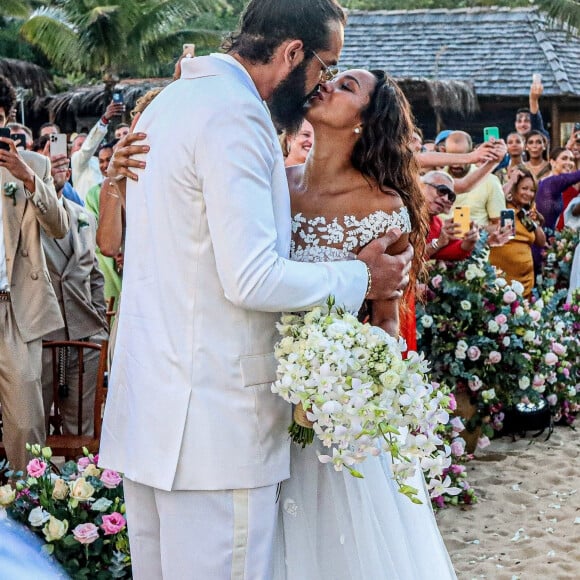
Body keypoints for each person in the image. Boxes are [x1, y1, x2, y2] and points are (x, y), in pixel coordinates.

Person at [98, 2, 414, 579]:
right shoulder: (236, 117)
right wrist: (359, 277)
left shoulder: (168, 106)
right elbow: (251, 277)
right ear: (294, 53)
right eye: (327, 66)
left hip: (152, 416)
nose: (320, 83)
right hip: (217, 429)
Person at [274, 69, 455, 579]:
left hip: (333, 404)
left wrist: (348, 390)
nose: (327, 85)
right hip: (257, 388)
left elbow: (385, 323)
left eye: (347, 87)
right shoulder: (274, 186)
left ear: (363, 122)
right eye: (333, 78)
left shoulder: (383, 207)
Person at [0, 75, 69, 471]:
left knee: (26, 423)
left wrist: (26, 178)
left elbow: (58, 227)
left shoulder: (34, 165)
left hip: (15, 310)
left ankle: (28, 510)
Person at [40, 154, 108, 436]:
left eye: (62, 164)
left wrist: (99, 323)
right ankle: (36, 479)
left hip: (84, 335)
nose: (58, 168)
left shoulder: (85, 218)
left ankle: (81, 479)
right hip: (42, 335)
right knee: (35, 424)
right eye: (49, 163)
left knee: (80, 427)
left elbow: (95, 275)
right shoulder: (26, 220)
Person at [489, 166, 546, 298]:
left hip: (525, 280)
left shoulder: (528, 211)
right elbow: (497, 197)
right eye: (524, 188)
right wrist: (512, 181)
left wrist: (535, 222)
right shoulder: (503, 206)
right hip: (501, 276)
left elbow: (541, 241)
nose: (529, 193)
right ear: (515, 188)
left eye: (532, 190)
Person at [445, 131, 506, 227]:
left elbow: (500, 224)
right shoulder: (433, 179)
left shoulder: (490, 181)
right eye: (452, 156)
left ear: (472, 152)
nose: (456, 163)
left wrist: (477, 231)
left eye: (461, 156)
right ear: (444, 152)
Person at [71, 100, 124, 200]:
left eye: (108, 160)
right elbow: (87, 149)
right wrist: (104, 120)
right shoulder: (76, 161)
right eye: (79, 145)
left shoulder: (98, 162)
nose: (83, 147)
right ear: (71, 150)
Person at [422, 171, 479, 261]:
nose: (446, 199)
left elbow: (453, 253)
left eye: (451, 196)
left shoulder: (437, 223)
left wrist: (470, 241)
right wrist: (438, 243)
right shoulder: (401, 212)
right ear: (421, 186)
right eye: (442, 190)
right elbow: (406, 260)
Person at [536, 147, 580, 231]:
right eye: (564, 158)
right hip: (541, 239)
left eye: (571, 159)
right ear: (552, 162)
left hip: (548, 237)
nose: (569, 163)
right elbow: (576, 176)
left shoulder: (547, 181)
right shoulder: (552, 182)